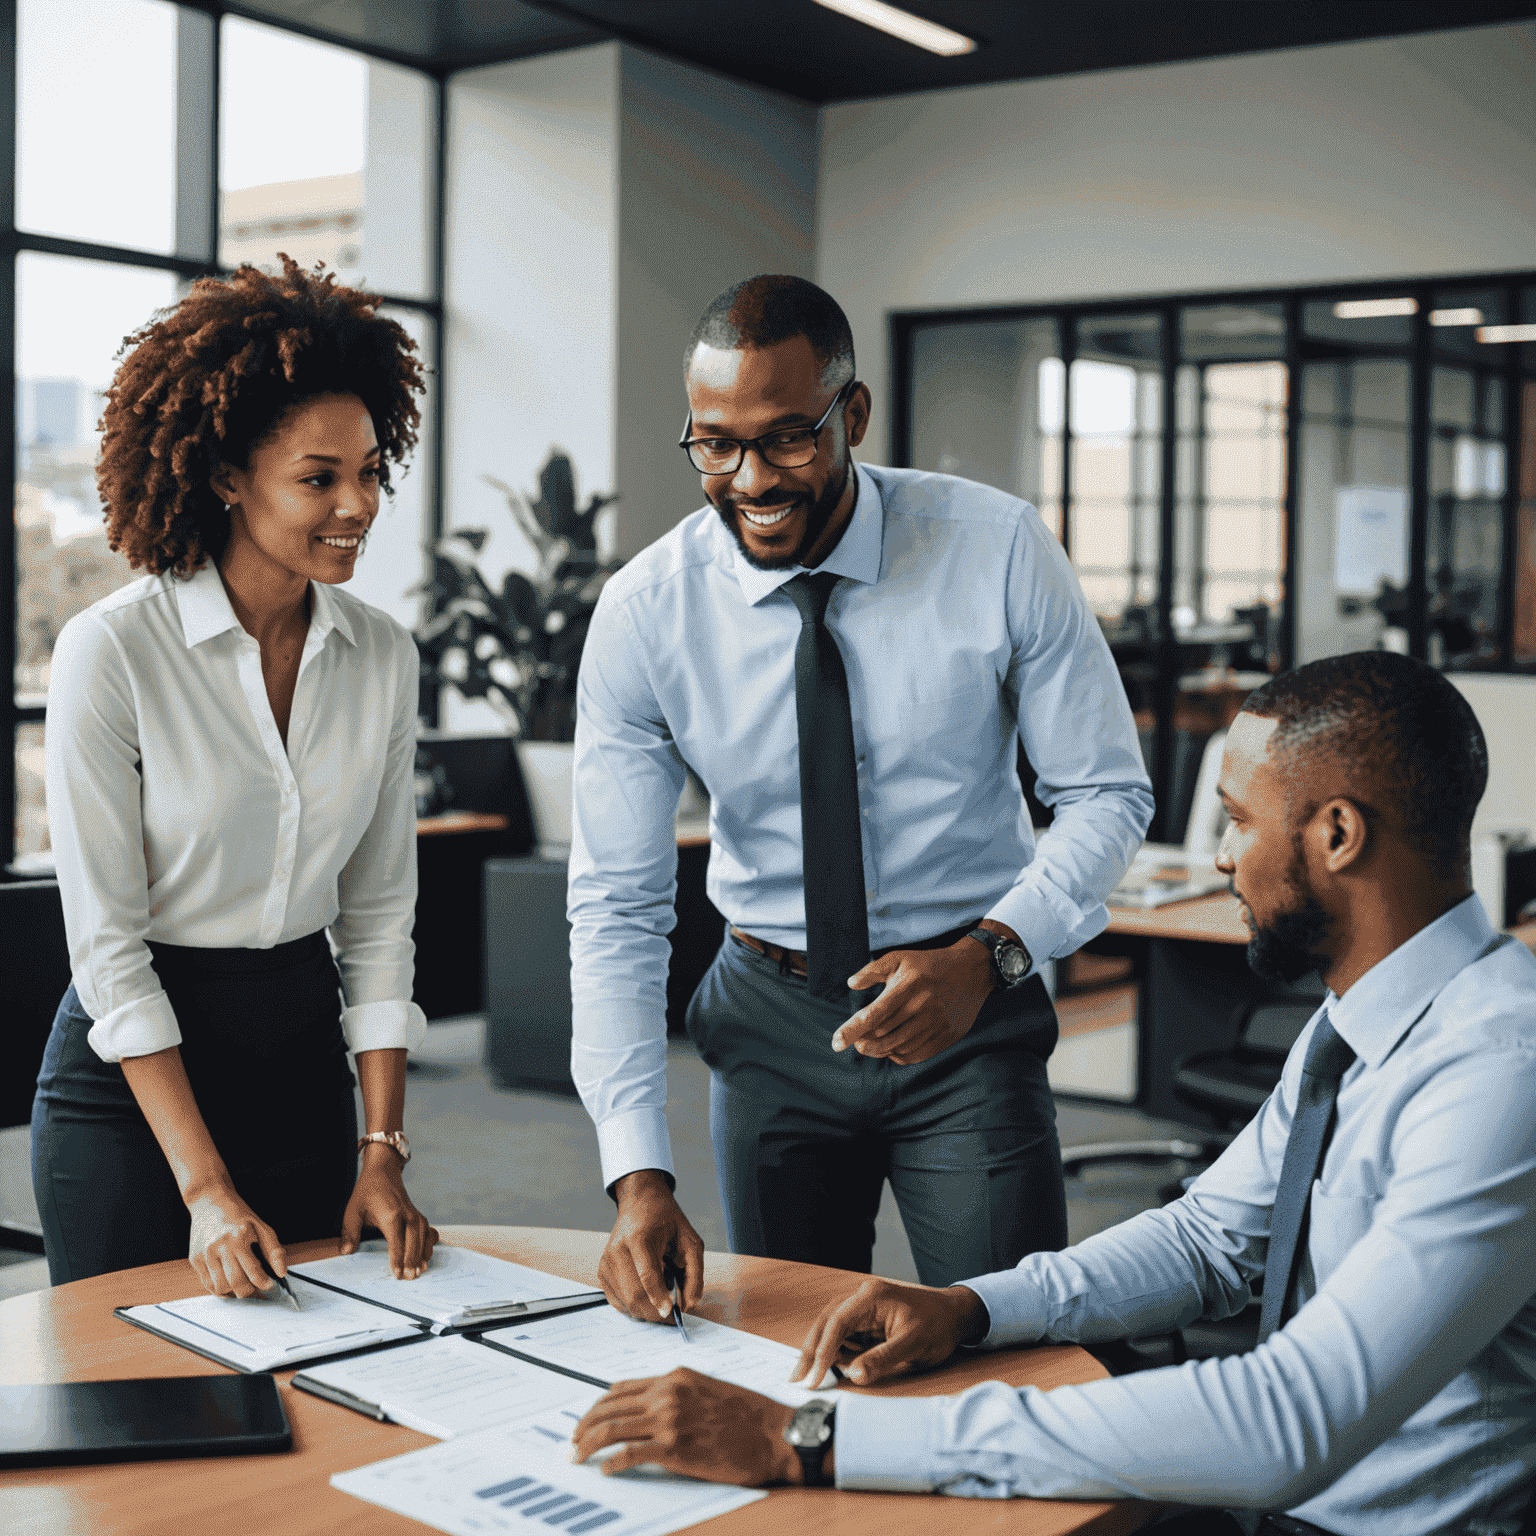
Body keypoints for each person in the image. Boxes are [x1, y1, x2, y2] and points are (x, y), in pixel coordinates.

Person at [567, 650, 1536, 1536]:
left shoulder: (1501, 1070)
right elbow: (1208, 1241)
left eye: (1239, 820)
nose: (1221, 858)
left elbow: (1293, 1419)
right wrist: (969, 1307)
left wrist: (812, 1438)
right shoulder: (1357, 1025)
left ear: (1337, 833)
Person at [569, 274, 1153, 1323]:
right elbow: (617, 904)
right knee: (799, 1353)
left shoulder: (996, 548)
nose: (751, 479)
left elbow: (1106, 791)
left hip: (969, 1007)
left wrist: (992, 958)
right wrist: (637, 1175)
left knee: (1007, 1336)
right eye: (715, 444)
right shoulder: (648, 613)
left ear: (855, 415)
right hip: (770, 1017)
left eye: (789, 438)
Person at [33, 257, 439, 1295]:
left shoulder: (382, 655)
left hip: (301, 1071)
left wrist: (380, 1148)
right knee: (138, 1410)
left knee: (311, 1398)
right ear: (225, 477)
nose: (359, 503)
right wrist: (203, 1186)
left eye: (369, 471)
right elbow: (107, 950)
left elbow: (380, 915)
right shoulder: (112, 651)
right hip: (137, 1099)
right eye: (319, 478)